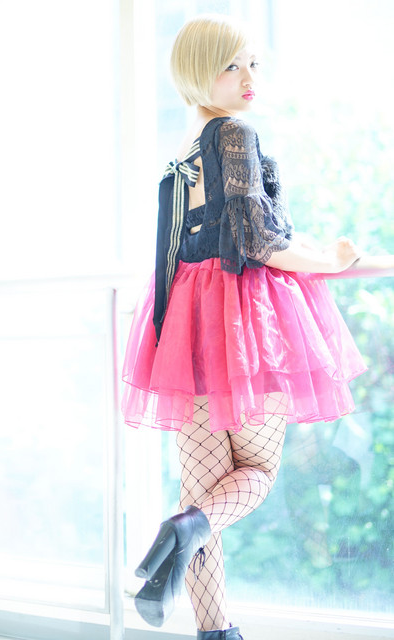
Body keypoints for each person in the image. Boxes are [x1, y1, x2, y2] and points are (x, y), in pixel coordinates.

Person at [121, 14, 367, 640]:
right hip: (241, 318)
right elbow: (259, 240)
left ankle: (215, 628)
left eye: (252, 62)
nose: (248, 76)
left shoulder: (183, 153)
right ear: (198, 74)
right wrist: (330, 261)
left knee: (203, 486)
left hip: (188, 321)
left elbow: (185, 247)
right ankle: (183, 529)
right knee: (253, 473)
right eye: (231, 65)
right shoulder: (235, 134)